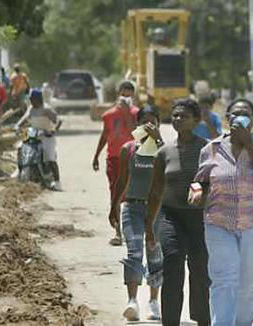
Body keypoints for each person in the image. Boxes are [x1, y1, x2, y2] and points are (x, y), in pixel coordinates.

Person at [192, 98, 253, 326]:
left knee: (247, 284)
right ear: (227, 119)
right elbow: (200, 180)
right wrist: (196, 190)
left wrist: (248, 144)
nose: (239, 118)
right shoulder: (211, 148)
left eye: (245, 115)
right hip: (219, 222)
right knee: (223, 279)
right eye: (235, 114)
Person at [146, 98, 211, 326]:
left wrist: (203, 190)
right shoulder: (164, 153)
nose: (177, 119)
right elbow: (155, 192)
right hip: (171, 216)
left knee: (200, 271)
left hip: (200, 219)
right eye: (174, 115)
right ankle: (170, 321)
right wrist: (149, 227)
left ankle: (203, 319)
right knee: (172, 265)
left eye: (183, 115)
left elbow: (217, 182)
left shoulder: (208, 149)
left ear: (196, 120)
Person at [109, 105, 164, 322]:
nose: (148, 126)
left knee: (154, 254)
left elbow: (168, 171)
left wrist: (158, 140)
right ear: (137, 124)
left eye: (153, 122)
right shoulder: (128, 149)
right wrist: (113, 205)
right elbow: (121, 180)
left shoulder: (163, 150)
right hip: (132, 206)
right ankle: (132, 301)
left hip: (157, 209)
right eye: (144, 122)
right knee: (133, 252)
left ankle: (153, 301)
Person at [92, 80, 139, 246]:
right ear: (118, 94)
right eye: (123, 93)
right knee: (115, 193)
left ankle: (134, 230)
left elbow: (137, 134)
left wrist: (127, 115)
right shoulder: (109, 115)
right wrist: (96, 155)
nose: (126, 96)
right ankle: (118, 232)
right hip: (114, 158)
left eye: (129, 93)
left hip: (133, 157)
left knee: (134, 195)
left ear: (133, 95)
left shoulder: (137, 114)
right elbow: (105, 135)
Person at [15, 88, 62, 191]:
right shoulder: (31, 108)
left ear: (38, 99)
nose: (30, 101)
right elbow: (24, 119)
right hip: (34, 134)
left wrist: (52, 131)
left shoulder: (47, 109)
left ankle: (57, 182)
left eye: (32, 99)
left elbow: (58, 121)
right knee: (20, 148)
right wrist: (17, 126)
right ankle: (19, 171)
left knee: (50, 157)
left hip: (46, 136)